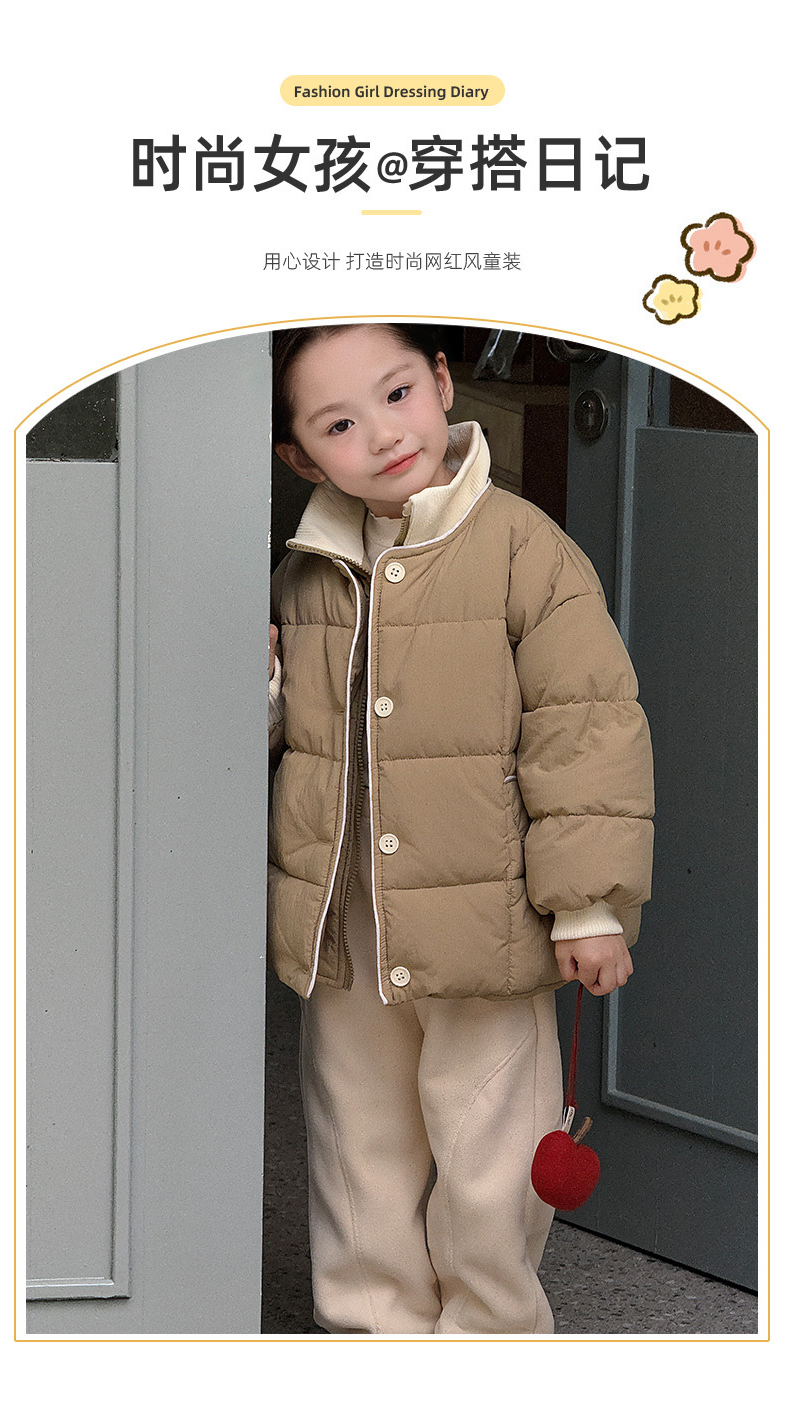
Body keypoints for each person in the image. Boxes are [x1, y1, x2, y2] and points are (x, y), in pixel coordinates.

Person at [266, 323, 654, 1336]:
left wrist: (588, 903)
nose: (382, 433)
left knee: (491, 1155)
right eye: (339, 425)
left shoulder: (525, 549)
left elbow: (587, 727)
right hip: (349, 922)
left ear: (442, 382)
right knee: (358, 1145)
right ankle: (375, 1330)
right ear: (302, 459)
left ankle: (488, 1339)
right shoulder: (309, 573)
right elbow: (295, 739)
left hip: (486, 921)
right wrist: (261, 686)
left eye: (396, 394)